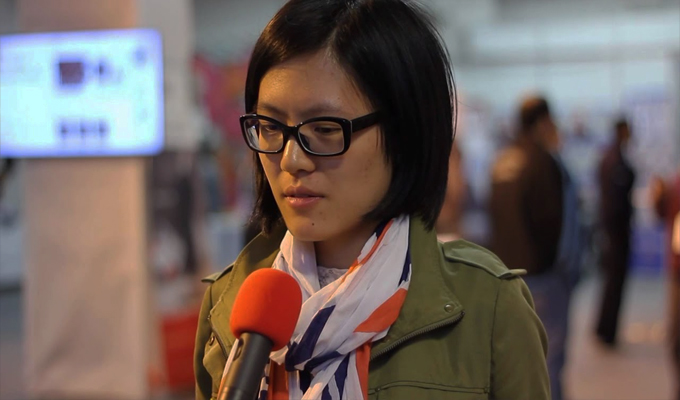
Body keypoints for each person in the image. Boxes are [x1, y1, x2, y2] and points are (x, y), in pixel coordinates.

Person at [194, 1, 549, 399]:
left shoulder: (487, 306)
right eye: (270, 126)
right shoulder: (231, 302)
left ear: (404, 133)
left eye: (325, 129)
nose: (291, 160)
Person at [489, 96, 580, 400]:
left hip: (504, 278)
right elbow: (559, 223)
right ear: (542, 123)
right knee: (548, 359)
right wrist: (566, 271)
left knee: (512, 363)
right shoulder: (545, 162)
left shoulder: (501, 162)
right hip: (543, 279)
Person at [595, 118, 636, 347]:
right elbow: (614, 203)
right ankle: (606, 331)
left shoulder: (613, 157)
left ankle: (606, 329)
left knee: (612, 282)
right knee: (613, 282)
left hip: (615, 230)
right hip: (616, 232)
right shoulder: (614, 160)